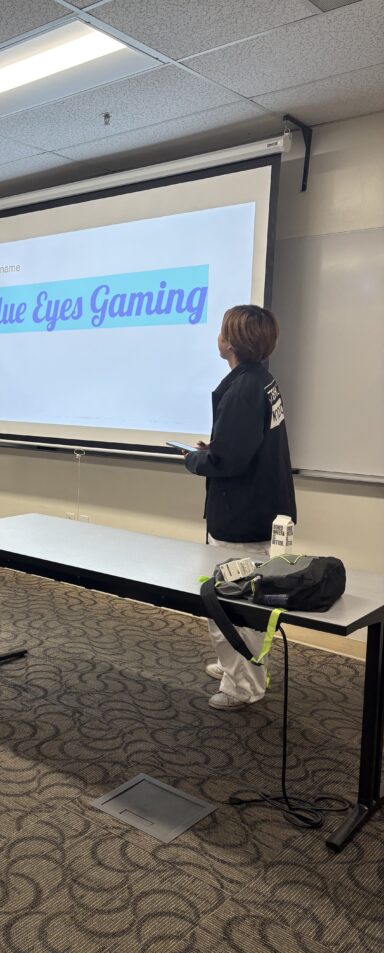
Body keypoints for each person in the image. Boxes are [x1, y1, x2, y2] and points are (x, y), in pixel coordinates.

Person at [184, 304, 296, 710]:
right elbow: (243, 447)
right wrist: (217, 450)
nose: (217, 337)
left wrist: (195, 459)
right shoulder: (260, 380)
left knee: (231, 600)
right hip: (259, 510)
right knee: (246, 599)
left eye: (221, 332)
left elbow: (228, 462)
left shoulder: (245, 388)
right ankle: (238, 667)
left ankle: (243, 685)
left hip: (244, 517)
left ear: (230, 341)